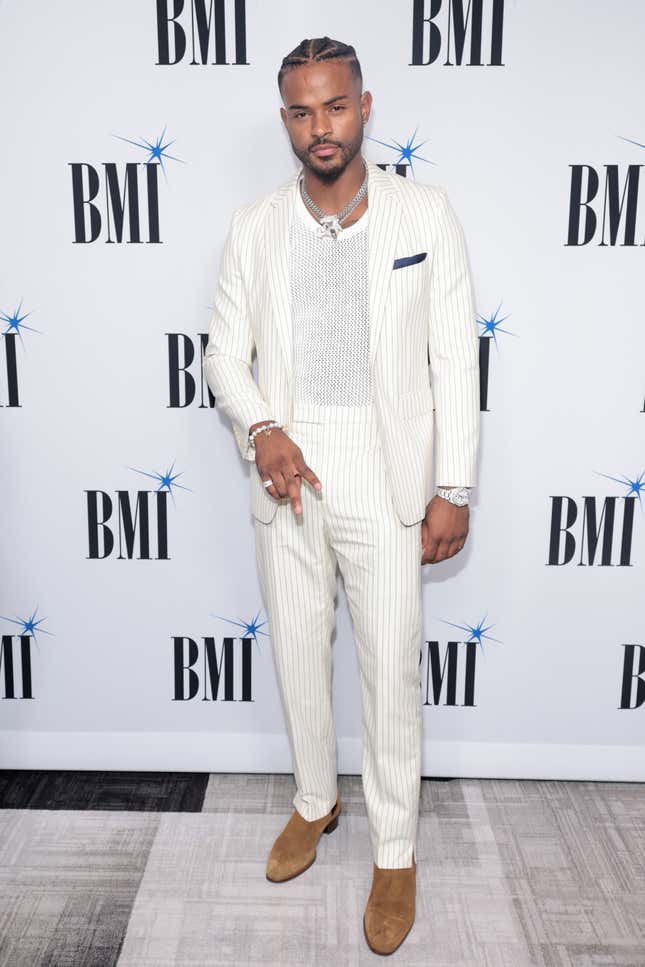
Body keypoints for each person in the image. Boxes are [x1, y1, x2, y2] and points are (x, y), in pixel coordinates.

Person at [203, 35, 480, 955]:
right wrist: (261, 428)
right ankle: (315, 803)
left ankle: (393, 850)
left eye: (334, 106)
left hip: (383, 464)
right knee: (294, 651)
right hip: (287, 471)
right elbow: (221, 354)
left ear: (365, 108)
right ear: (283, 118)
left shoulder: (424, 214)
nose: (318, 127)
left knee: (391, 667)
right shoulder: (252, 225)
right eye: (299, 110)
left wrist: (453, 487)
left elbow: (454, 361)